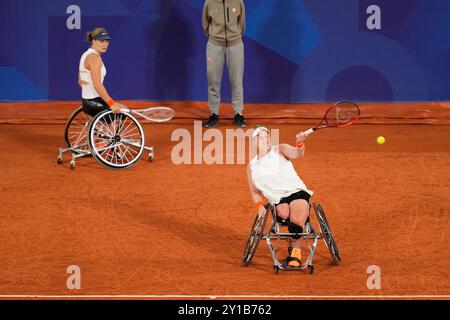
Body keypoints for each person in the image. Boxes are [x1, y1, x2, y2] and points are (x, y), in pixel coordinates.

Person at [247, 126, 313, 267]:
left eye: (267, 136)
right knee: (283, 212)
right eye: (261, 137)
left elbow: (297, 154)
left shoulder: (280, 149)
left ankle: (296, 252)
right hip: (278, 200)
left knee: (295, 219)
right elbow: (254, 191)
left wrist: (300, 143)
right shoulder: (252, 165)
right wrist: (259, 207)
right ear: (254, 142)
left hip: (296, 192)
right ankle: (296, 230)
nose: (265, 139)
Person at [202, 0, 246, 128]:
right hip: (214, 45)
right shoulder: (209, 2)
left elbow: (242, 24)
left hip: (235, 44)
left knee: (237, 80)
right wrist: (214, 36)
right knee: (213, 80)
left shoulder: (238, 1)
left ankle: (238, 114)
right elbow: (205, 23)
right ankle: (213, 114)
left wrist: (234, 36)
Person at [78, 27, 125, 117]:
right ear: (94, 41)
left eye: (106, 41)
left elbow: (80, 81)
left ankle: (99, 129)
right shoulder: (95, 58)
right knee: (121, 112)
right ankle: (109, 129)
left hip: (87, 102)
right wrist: (111, 103)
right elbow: (97, 85)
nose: (105, 45)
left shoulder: (85, 55)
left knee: (121, 107)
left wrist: (89, 93)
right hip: (94, 103)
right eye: (101, 41)